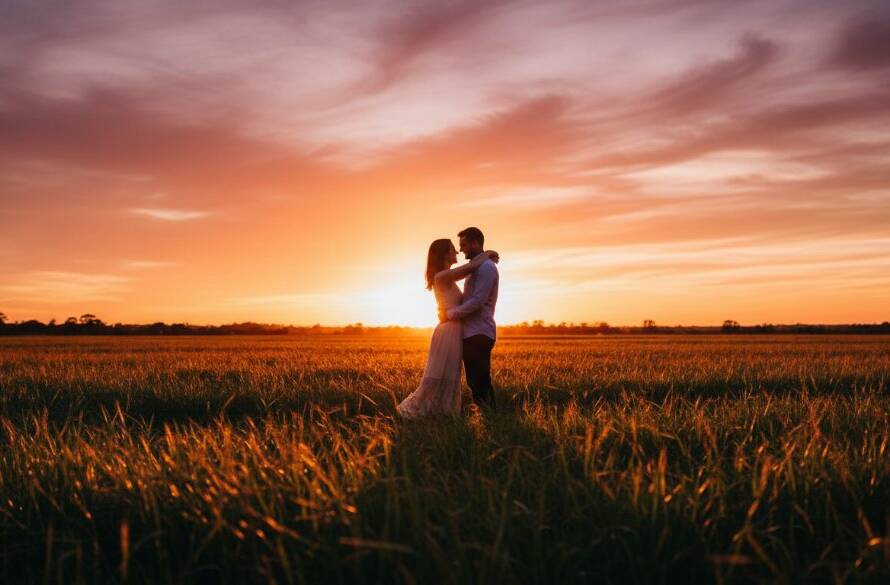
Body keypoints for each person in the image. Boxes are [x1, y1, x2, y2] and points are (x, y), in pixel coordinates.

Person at [397, 238, 498, 419]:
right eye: (453, 249)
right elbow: (469, 268)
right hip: (448, 331)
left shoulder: (446, 275)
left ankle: (444, 412)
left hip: (453, 330)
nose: (457, 252)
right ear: (444, 254)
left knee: (450, 374)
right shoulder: (441, 276)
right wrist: (487, 254)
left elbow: (470, 269)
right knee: (439, 373)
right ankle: (423, 410)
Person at [439, 227, 499, 411]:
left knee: (478, 379)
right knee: (477, 380)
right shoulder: (478, 267)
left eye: (464, 244)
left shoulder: (487, 267)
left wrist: (450, 314)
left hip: (479, 331)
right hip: (471, 332)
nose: (461, 249)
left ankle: (489, 416)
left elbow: (477, 302)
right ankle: (490, 415)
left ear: (475, 243)